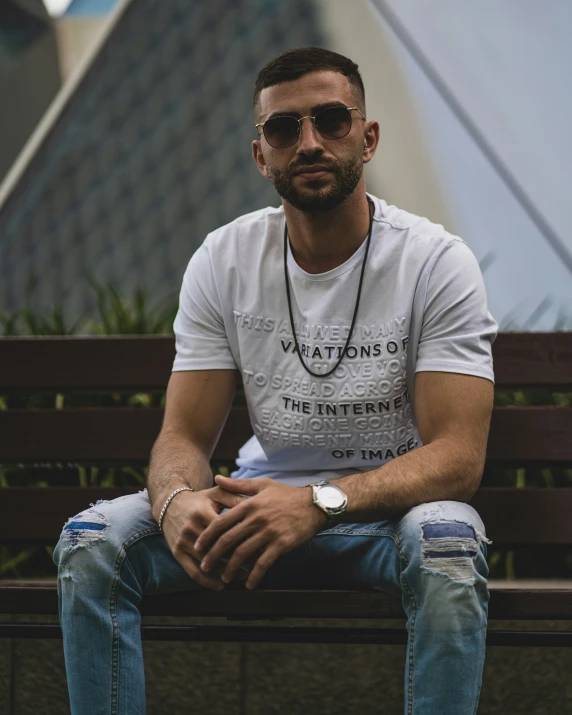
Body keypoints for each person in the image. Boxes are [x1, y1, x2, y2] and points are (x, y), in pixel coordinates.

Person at [53, 46, 497, 714]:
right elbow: (182, 436)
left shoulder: (436, 262)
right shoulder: (225, 258)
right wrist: (176, 501)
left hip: (387, 522)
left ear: (368, 137)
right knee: (92, 543)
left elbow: (458, 460)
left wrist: (317, 503)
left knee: (448, 542)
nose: (310, 141)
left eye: (331, 120)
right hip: (253, 516)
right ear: (261, 154)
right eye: (285, 129)